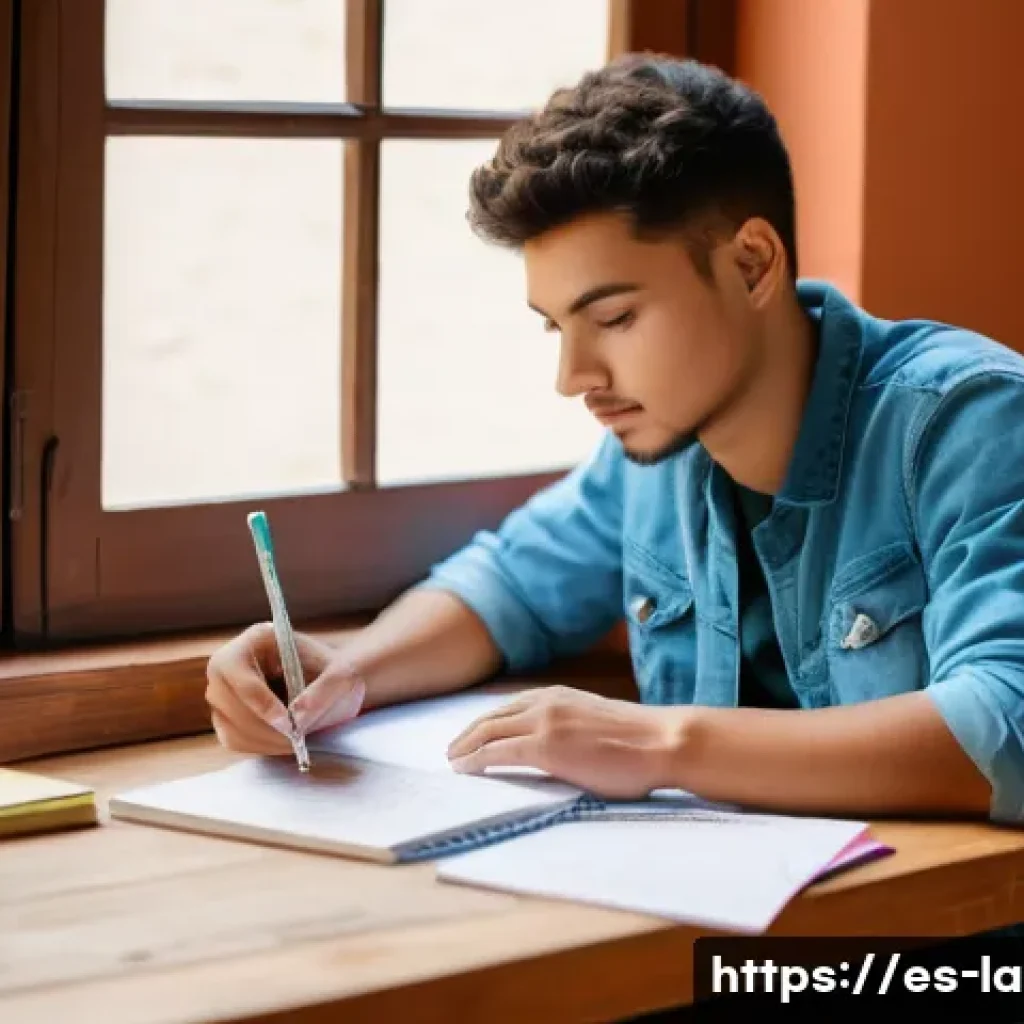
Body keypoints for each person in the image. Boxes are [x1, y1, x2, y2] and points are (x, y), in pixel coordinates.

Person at [206, 53, 1024, 827]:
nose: (574, 377)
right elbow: (509, 585)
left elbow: (1007, 722)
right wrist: (348, 673)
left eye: (615, 317)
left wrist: (659, 744)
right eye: (556, 326)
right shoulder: (656, 448)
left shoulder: (969, 420)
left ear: (751, 265)